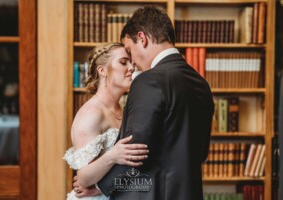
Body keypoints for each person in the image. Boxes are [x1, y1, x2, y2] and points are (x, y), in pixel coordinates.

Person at [78, 6, 214, 200]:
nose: (132, 63)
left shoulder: (148, 81)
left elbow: (134, 151)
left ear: (142, 38)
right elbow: (202, 153)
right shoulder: (201, 84)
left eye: (129, 51)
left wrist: (101, 187)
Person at [63, 42, 149, 200]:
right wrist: (113, 155)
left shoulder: (121, 109)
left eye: (131, 62)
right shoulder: (91, 114)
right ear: (102, 70)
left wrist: (102, 190)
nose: (131, 67)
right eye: (123, 62)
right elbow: (83, 179)